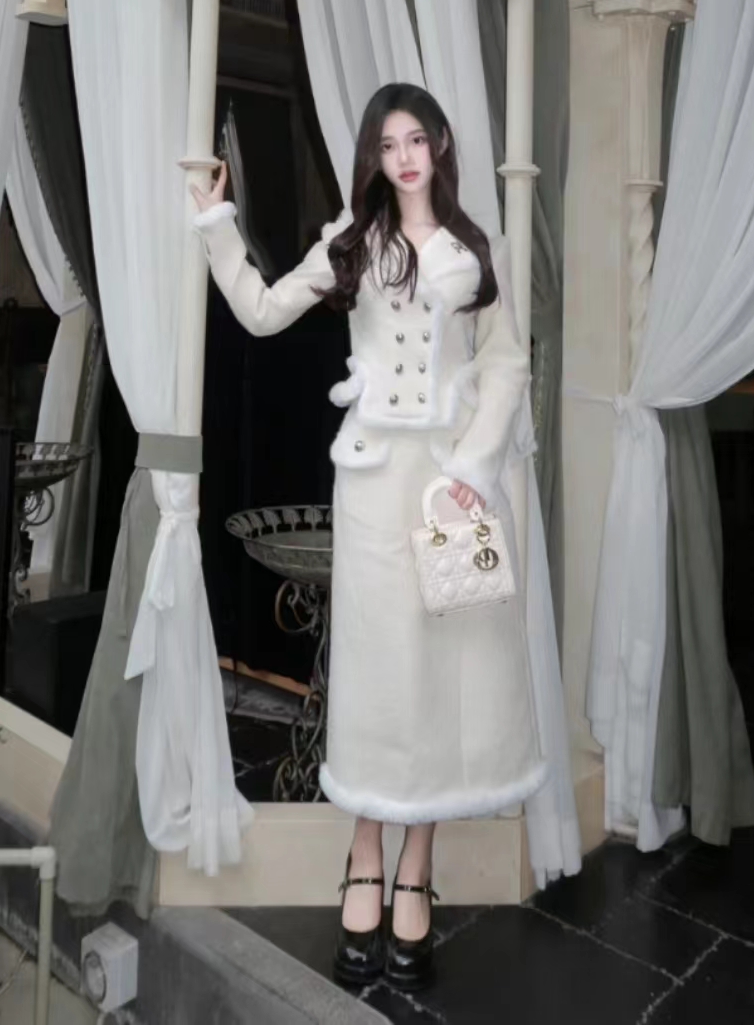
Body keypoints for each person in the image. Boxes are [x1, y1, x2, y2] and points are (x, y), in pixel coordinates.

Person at [192, 82, 543, 990]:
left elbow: (507, 364)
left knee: (443, 673)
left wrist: (474, 469)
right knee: (378, 671)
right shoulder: (352, 244)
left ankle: (415, 865)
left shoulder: (480, 249)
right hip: (374, 483)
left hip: (453, 488)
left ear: (441, 144)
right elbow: (262, 310)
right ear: (374, 158)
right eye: (388, 145)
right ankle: (364, 853)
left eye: (416, 139)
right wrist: (218, 224)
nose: (404, 158)